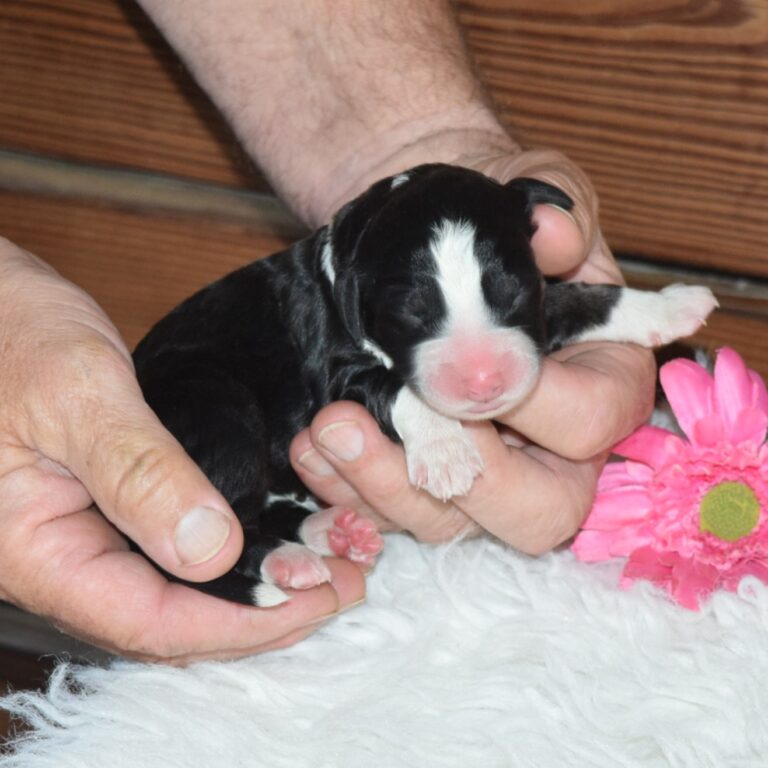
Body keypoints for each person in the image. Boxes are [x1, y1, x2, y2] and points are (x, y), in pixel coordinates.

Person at [0, 0, 654, 663]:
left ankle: (280, 523)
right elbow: (353, 379)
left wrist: (433, 146)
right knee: (230, 450)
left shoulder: (389, 270)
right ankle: (241, 553)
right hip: (201, 404)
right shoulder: (321, 314)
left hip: (277, 441)